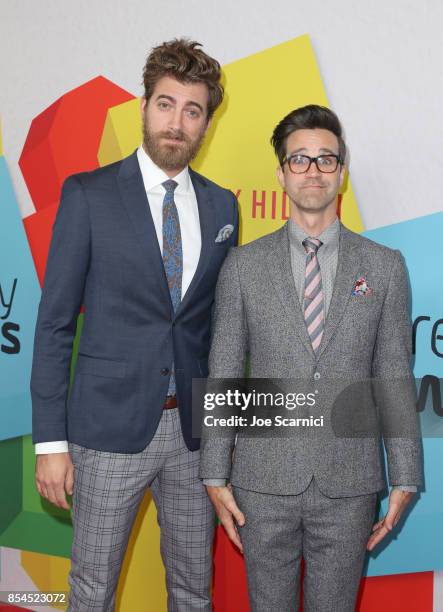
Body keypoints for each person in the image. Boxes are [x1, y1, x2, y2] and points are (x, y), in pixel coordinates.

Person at [31, 38, 239, 611]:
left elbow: (220, 331)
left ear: (206, 125)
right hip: (106, 436)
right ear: (144, 107)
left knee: (195, 589)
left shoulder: (223, 208)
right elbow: (53, 328)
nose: (178, 121)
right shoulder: (88, 194)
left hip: (194, 439)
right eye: (167, 103)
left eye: (192, 110)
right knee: (93, 590)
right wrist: (50, 443)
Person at [199, 105, 422, 612]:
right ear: (280, 173)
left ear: (341, 173)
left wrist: (405, 474)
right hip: (262, 482)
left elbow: (392, 372)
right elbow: (226, 371)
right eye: (299, 160)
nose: (313, 171)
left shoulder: (385, 267)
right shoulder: (242, 266)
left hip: (350, 483)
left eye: (326, 159)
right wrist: (215, 473)